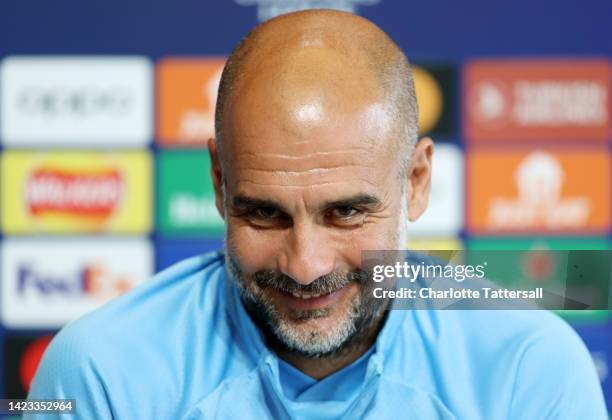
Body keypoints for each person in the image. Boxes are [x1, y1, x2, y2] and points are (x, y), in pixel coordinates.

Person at [27, 9, 606, 419]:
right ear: (219, 182)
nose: (305, 266)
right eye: (264, 214)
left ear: (416, 181)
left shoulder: (532, 370)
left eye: (346, 212)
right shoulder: (98, 374)